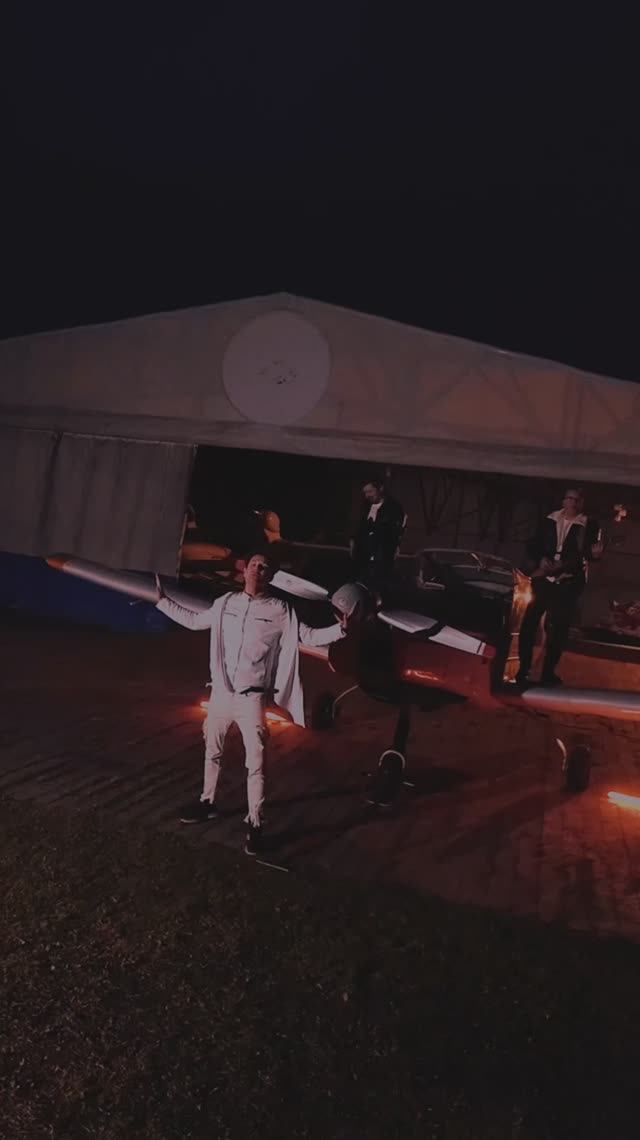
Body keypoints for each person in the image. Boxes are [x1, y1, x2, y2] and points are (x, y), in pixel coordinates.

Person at [154, 549, 348, 855]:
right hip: (221, 693)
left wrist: (342, 629)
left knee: (256, 763)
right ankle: (207, 802)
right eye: (254, 564)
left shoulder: (281, 610)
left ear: (270, 576)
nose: (258, 569)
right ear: (244, 570)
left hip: (253, 698)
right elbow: (193, 621)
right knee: (212, 750)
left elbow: (308, 636)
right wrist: (161, 601)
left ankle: (255, 824)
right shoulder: (225, 603)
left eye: (264, 567)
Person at [516, 489, 603, 687]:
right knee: (529, 624)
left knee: (559, 628)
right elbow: (533, 544)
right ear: (564, 501)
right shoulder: (549, 520)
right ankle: (523, 669)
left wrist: (594, 556)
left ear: (581, 503)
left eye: (577, 499)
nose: (573, 502)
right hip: (544, 579)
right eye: (569, 498)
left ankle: (548, 673)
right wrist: (541, 559)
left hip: (568, 581)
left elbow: (589, 553)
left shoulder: (589, 524)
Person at [350, 478, 407, 594]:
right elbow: (361, 527)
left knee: (378, 586)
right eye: (365, 492)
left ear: (380, 489)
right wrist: (354, 541)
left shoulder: (394, 508)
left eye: (370, 491)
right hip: (363, 557)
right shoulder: (365, 506)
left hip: (381, 557)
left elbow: (396, 531)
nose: (367, 495)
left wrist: (394, 546)